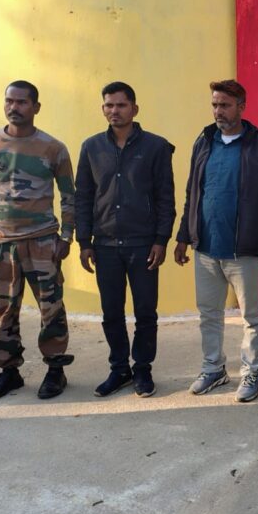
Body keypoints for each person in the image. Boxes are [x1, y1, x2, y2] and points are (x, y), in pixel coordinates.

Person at [175, 79, 258, 401]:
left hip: (244, 250)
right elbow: (193, 191)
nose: (218, 111)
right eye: (215, 105)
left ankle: (252, 371)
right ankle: (213, 368)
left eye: (225, 105)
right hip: (206, 247)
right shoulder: (204, 142)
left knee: (251, 317)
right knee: (209, 313)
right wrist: (183, 236)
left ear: (241, 107)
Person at [0, 80, 75, 401]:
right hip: (1, 244)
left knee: (51, 308)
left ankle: (55, 370)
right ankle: (9, 372)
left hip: (42, 242)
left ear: (36, 107)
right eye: (9, 101)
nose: (13, 107)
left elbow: (69, 196)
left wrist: (66, 237)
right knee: (5, 310)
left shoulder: (53, 148)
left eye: (21, 102)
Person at [75, 81, 176, 398]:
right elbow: (83, 197)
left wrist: (161, 240)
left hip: (143, 245)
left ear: (134, 108)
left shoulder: (156, 147)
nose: (114, 111)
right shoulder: (91, 147)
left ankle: (142, 369)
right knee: (111, 312)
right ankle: (119, 369)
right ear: (103, 108)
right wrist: (84, 241)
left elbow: (165, 198)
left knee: (145, 312)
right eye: (109, 105)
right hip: (105, 245)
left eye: (121, 105)